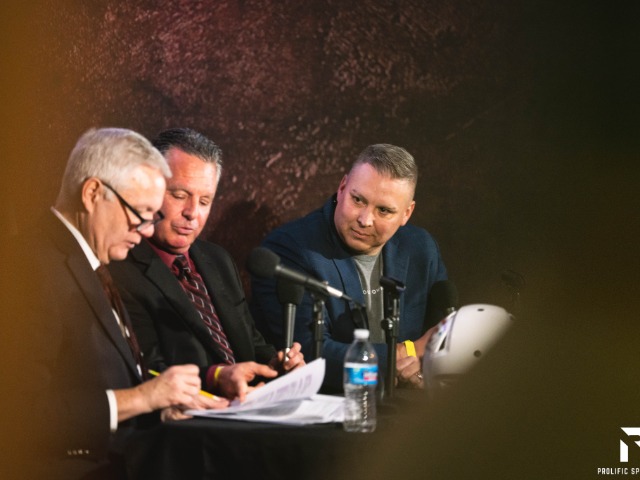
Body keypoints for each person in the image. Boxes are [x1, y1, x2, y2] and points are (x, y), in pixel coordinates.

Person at [1, 128, 227, 479]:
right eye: (140, 213)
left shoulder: (90, 261)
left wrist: (160, 407)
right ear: (92, 193)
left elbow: (96, 379)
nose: (147, 230)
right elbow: (17, 416)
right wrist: (143, 398)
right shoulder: (28, 269)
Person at [109, 128, 304, 402]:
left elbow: (251, 342)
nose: (192, 213)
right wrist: (217, 377)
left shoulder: (218, 260)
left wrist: (276, 365)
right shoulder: (120, 268)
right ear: (149, 188)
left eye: (204, 201)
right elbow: (146, 367)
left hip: (249, 407)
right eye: (179, 195)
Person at [250, 144, 449, 392]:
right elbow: (308, 352)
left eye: (384, 210)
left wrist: (423, 368)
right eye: (358, 200)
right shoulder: (290, 249)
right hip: (330, 403)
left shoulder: (421, 248)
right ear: (342, 187)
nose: (364, 220)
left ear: (406, 213)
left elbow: (444, 334)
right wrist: (403, 354)